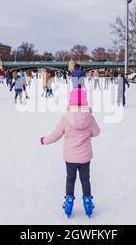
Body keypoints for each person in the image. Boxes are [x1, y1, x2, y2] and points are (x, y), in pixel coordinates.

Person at [40, 88, 100, 218]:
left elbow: (55, 135)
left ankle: (68, 202)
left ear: (70, 102)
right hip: (85, 157)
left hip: (70, 157)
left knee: (70, 179)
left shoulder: (65, 119)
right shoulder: (90, 118)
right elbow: (97, 132)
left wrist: (44, 140)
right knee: (85, 180)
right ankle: (88, 202)